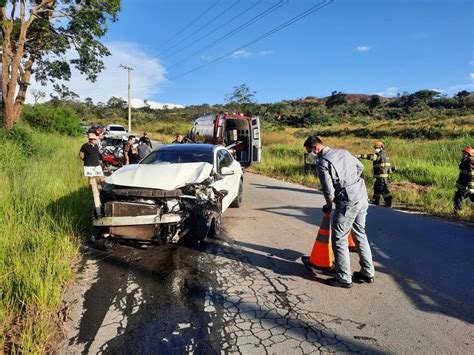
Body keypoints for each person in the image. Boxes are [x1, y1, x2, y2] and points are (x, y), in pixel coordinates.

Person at [304, 136, 375, 288]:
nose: (311, 154)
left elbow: (328, 191)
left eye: (310, 151)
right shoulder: (344, 152)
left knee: (339, 238)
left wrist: (329, 205)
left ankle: (343, 278)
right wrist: (351, 182)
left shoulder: (323, 163)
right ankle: (368, 272)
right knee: (360, 233)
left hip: (347, 201)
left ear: (316, 148)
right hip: (362, 196)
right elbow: (360, 167)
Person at [356, 141, 394, 207]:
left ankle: (388, 203)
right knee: (377, 188)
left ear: (381, 147)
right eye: (375, 148)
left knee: (383, 189)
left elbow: (371, 156)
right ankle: (375, 201)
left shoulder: (380, 154)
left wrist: (361, 156)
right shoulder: (385, 155)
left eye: (377, 148)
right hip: (381, 176)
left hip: (382, 176)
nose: (376, 149)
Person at [454, 147, 474, 213]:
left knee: (458, 197)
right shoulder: (464, 162)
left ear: (469, 155)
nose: (463, 155)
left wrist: (471, 188)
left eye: (465, 154)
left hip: (467, 187)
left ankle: (459, 212)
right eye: (463, 153)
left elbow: (472, 175)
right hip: (464, 187)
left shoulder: (470, 162)